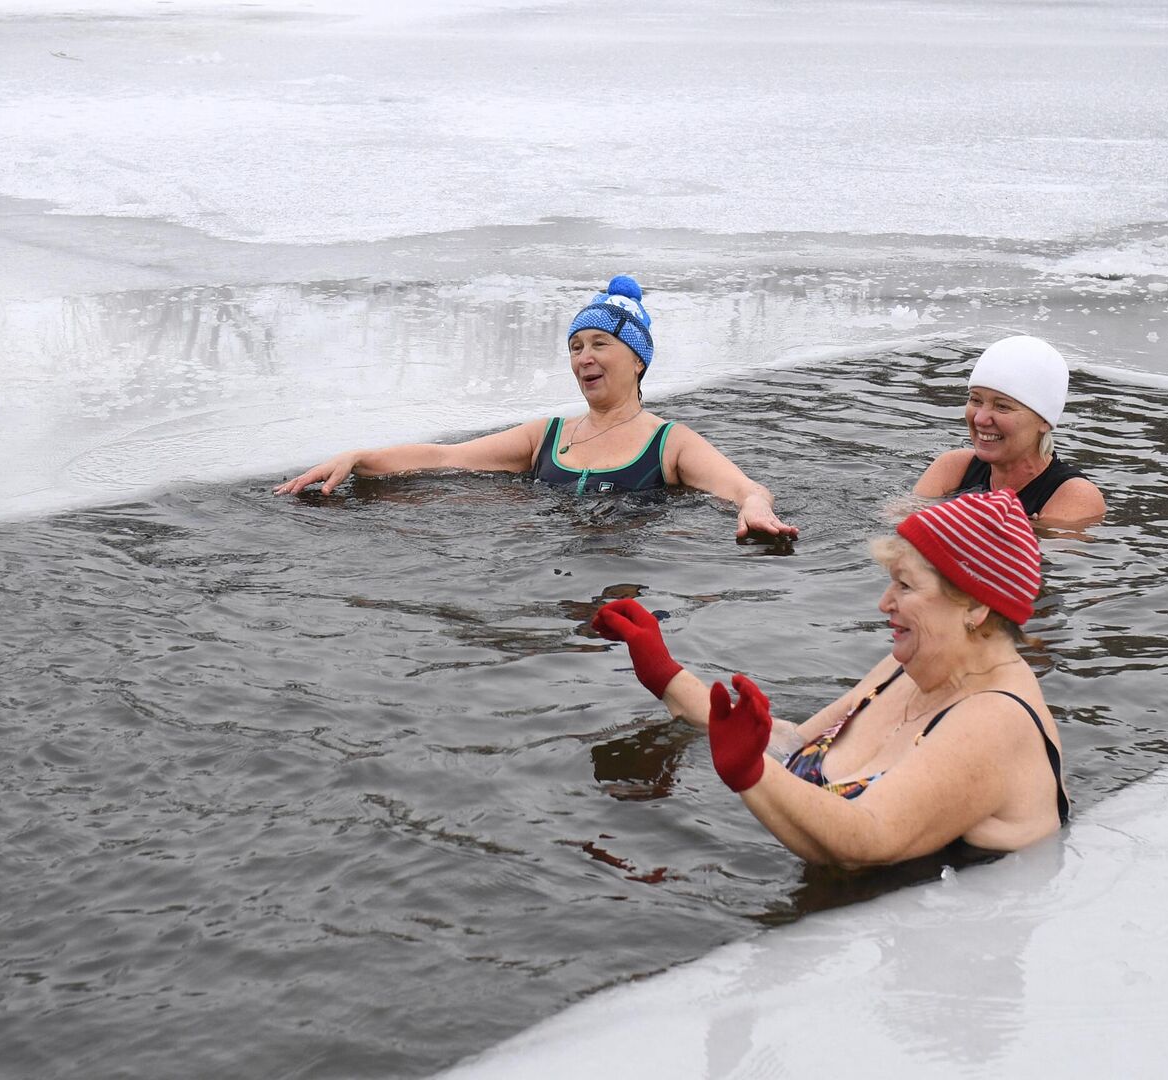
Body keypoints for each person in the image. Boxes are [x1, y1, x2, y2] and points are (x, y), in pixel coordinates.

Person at [592, 489, 1068, 864]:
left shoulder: (995, 721)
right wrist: (665, 673)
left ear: (977, 606)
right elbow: (793, 743)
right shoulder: (912, 667)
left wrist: (750, 775)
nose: (884, 603)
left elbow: (870, 837)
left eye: (905, 585)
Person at [273, 276, 797, 540]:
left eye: (599, 344)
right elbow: (446, 458)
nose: (584, 358)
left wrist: (754, 508)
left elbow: (745, 490)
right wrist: (360, 458)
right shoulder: (545, 435)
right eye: (575, 347)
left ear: (638, 360)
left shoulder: (670, 443)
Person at [915, 335, 1104, 523]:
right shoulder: (954, 467)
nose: (980, 418)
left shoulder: (1075, 495)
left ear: (1044, 420)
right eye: (975, 400)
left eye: (1002, 406)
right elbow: (900, 534)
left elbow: (1040, 553)